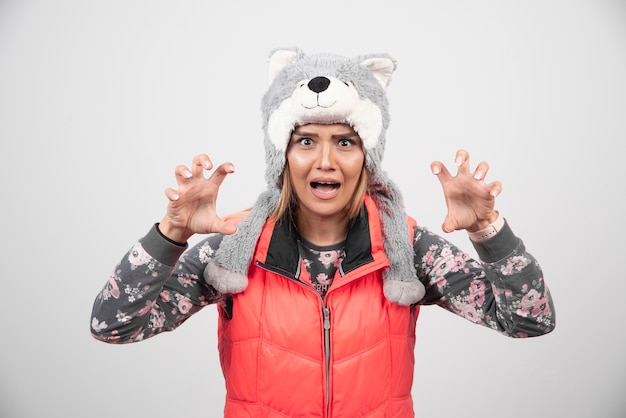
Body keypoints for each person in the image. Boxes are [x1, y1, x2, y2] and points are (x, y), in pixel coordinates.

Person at [91, 47, 555, 417]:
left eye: (346, 142)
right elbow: (113, 326)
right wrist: (170, 232)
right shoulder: (233, 251)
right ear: (282, 157)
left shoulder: (408, 251)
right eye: (306, 141)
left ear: (367, 158)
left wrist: (489, 230)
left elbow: (529, 320)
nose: (326, 160)